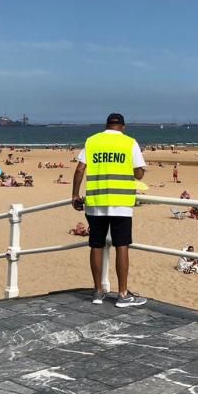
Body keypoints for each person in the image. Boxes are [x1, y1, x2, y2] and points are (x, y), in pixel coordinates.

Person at [71, 113, 147, 307]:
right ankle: (122, 294)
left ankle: (97, 292)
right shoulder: (130, 143)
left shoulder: (92, 141)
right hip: (121, 201)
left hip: (96, 201)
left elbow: (79, 169)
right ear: (123, 127)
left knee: (96, 245)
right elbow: (139, 173)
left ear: (106, 125)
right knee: (122, 245)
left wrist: (74, 195)